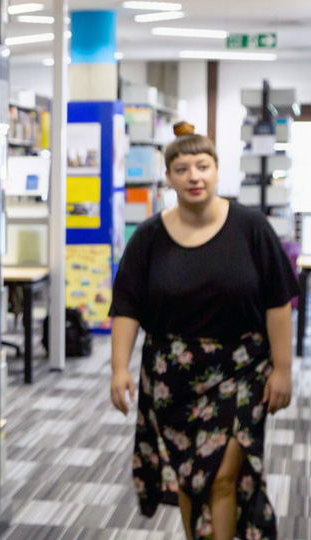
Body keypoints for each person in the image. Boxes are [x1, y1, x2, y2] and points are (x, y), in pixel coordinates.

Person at [108, 130, 298, 540]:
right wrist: (118, 368)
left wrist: (282, 369)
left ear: (216, 171)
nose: (193, 176)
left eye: (202, 166)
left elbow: (279, 303)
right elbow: (126, 307)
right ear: (169, 177)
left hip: (242, 369)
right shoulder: (149, 237)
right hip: (170, 377)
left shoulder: (251, 228)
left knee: (223, 477)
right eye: (182, 169)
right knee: (190, 479)